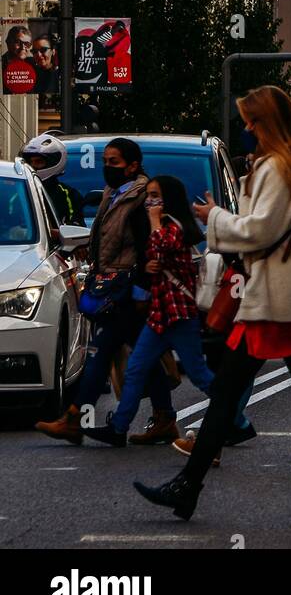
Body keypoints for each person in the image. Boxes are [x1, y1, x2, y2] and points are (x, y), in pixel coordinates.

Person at [133, 85, 291, 524]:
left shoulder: (279, 169)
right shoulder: (287, 166)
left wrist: (215, 219)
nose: (246, 128)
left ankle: (190, 487)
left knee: (268, 395)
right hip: (287, 300)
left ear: (269, 125)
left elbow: (259, 230)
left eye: (252, 120)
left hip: (283, 302)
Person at [35, 138, 177, 445]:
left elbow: (145, 246)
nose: (107, 168)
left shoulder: (140, 199)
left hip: (125, 290)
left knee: (101, 353)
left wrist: (141, 291)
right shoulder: (117, 193)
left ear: (133, 165)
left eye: (114, 162)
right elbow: (110, 236)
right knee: (142, 354)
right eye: (106, 161)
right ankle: (164, 417)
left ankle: (75, 418)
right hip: (113, 284)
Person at [81, 176, 216, 446]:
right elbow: (155, 254)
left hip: (179, 315)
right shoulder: (165, 226)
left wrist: (154, 222)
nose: (150, 202)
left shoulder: (175, 227)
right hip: (160, 315)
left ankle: (233, 416)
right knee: (136, 369)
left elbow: (160, 246)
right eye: (149, 196)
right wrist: (150, 267)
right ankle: (119, 428)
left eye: (156, 196)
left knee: (198, 373)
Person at [19, 132, 85, 227]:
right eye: (30, 162)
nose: (32, 166)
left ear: (52, 162)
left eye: (38, 162)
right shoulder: (19, 194)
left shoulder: (69, 195)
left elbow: (77, 227)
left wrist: (55, 233)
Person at [2, 24, 36, 94]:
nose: (23, 48)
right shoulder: (2, 64)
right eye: (18, 42)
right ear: (8, 42)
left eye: (27, 44)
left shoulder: (34, 64)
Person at [31, 32, 59, 103]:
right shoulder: (30, 74)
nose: (38, 54)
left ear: (53, 51)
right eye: (34, 51)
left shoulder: (60, 75)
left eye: (43, 50)